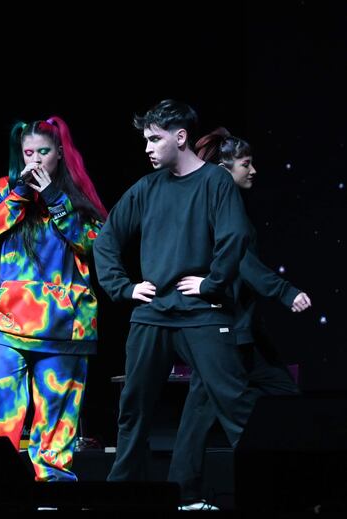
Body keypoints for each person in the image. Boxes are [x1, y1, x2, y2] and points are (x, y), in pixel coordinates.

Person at [93, 100, 256, 487]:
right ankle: (123, 496)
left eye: (154, 139)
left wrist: (211, 283)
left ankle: (272, 491)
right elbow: (106, 240)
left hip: (203, 312)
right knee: (133, 409)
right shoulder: (147, 188)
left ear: (180, 137)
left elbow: (235, 236)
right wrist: (125, 287)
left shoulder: (215, 182)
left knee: (234, 405)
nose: (147, 148)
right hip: (152, 314)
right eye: (145, 140)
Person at [167, 128, 312, 507]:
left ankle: (183, 493)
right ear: (223, 169)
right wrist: (286, 291)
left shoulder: (223, 207)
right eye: (246, 164)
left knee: (207, 410)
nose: (254, 170)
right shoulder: (217, 209)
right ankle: (287, 489)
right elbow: (243, 264)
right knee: (243, 414)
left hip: (238, 328)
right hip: (223, 330)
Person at [0, 116, 107, 481]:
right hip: (2, 321)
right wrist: (20, 194)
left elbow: (93, 242)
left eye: (43, 152)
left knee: (56, 429)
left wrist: (53, 199)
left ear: (60, 153)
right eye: (28, 152)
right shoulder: (5, 188)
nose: (34, 160)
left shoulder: (78, 194)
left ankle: (53, 502)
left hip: (66, 326)